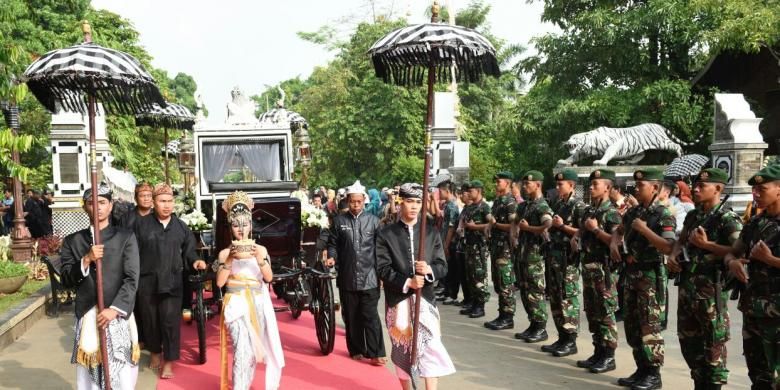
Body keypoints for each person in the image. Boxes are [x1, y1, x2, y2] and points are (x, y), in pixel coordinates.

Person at [59, 184, 140, 389]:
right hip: (89, 314)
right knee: (90, 376)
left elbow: (132, 278)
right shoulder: (73, 241)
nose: (98, 207)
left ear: (111, 205)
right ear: (85, 208)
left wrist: (114, 309)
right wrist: (86, 259)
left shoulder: (125, 237)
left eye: (102, 202)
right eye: (92, 203)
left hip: (117, 314)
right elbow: (66, 280)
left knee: (122, 373)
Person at [376, 183, 455, 390]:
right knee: (402, 349)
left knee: (431, 346)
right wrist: (408, 281)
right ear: (401, 202)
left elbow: (442, 266)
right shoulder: (386, 234)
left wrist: (428, 270)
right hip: (398, 300)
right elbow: (382, 268)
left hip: (426, 300)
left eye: (418, 202)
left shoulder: (430, 232)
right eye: (409, 201)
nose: (413, 207)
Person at [668, 168, 738, 389]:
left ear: (718, 189)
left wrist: (707, 246)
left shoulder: (728, 218)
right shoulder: (694, 215)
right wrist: (674, 253)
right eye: (695, 185)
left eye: (702, 186)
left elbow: (738, 251)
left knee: (713, 346)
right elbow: (682, 239)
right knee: (689, 344)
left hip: (711, 292)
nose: (696, 189)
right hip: (688, 288)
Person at [611, 168, 675, 390]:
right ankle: (641, 368)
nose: (636, 189)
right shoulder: (633, 212)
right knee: (633, 325)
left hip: (650, 277)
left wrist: (645, 230)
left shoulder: (663, 215)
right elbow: (619, 230)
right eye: (636, 185)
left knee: (650, 326)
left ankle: (653, 373)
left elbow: (668, 246)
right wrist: (613, 242)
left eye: (641, 186)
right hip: (631, 276)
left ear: (655, 188)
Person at [134, 183, 207, 379]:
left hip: (173, 281)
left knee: (170, 322)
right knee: (150, 320)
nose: (166, 205)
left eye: (169, 201)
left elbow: (190, 251)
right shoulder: (141, 225)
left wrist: (196, 261)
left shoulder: (181, 227)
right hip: (147, 282)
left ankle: (169, 361)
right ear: (154, 203)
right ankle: (156, 353)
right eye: (162, 201)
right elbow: (131, 252)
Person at [215, 191, 284, 390]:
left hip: (257, 301)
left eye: (245, 225)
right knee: (241, 348)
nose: (241, 230)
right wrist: (229, 260)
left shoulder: (261, 250)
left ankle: (244, 384)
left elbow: (269, 278)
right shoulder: (224, 253)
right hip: (235, 302)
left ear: (251, 226)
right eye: (236, 225)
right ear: (230, 228)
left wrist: (259, 258)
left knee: (253, 350)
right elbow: (219, 283)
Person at [724, 164, 780, 389]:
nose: (755, 194)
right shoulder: (755, 222)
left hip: (777, 313)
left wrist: (772, 261)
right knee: (757, 371)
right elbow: (732, 251)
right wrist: (733, 262)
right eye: (753, 190)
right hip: (753, 308)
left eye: (761, 189)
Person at [325, 180, 386, 365]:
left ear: (364, 201)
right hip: (347, 275)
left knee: (370, 315)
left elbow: (380, 250)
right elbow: (333, 244)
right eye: (352, 201)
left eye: (359, 202)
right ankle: (357, 349)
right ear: (348, 201)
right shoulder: (339, 222)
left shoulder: (374, 222)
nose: (356, 205)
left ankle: (376, 353)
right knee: (352, 315)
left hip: (370, 276)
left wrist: (381, 274)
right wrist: (331, 257)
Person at [575, 169, 621, 374]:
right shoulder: (589, 211)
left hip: (605, 271)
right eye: (591, 184)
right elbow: (581, 230)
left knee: (605, 313)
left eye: (596, 184)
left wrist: (595, 230)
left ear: (608, 187)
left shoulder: (612, 213)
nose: (591, 187)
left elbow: (616, 243)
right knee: (592, 312)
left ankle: (609, 356)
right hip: (589, 268)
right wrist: (576, 236)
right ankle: (598, 351)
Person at [542, 169, 585, 356]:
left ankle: (570, 339)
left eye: (561, 184)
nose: (558, 187)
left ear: (572, 186)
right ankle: (561, 337)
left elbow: (583, 232)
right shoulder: (558, 204)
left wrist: (562, 226)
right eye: (557, 184)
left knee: (568, 299)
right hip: (555, 257)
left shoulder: (578, 206)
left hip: (568, 260)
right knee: (556, 298)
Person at [513, 171, 553, 343]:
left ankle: (540, 327)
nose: (524, 187)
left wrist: (528, 229)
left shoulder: (542, 205)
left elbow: (547, 224)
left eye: (528, 184)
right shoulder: (524, 206)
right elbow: (516, 222)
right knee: (525, 291)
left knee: (535, 292)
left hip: (535, 257)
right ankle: (533, 324)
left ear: (537, 185)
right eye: (523, 183)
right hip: (523, 254)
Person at [484, 172, 518, 330]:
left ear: (508, 183)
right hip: (496, 246)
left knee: (505, 283)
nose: (496, 184)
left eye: (499, 181)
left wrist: (495, 224)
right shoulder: (498, 201)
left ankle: (508, 317)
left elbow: (513, 226)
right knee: (498, 282)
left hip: (505, 248)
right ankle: (502, 314)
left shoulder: (510, 202)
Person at [460, 180, 491, 318]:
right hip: (469, 245)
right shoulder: (470, 207)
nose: (469, 193)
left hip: (479, 246)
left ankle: (480, 305)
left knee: (479, 276)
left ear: (478, 191)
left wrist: (475, 227)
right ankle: (473, 302)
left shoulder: (484, 207)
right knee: (470, 276)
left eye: (471, 191)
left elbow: (491, 223)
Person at [437, 181, 460, 306]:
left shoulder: (452, 206)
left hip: (450, 242)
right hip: (444, 239)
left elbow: (451, 227)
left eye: (441, 191)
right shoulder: (447, 205)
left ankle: (452, 294)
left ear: (448, 191)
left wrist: (446, 244)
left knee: (451, 269)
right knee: (446, 268)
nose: (439, 193)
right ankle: (446, 292)